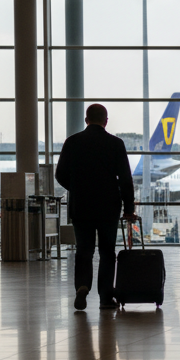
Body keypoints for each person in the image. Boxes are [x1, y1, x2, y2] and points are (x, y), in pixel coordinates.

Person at [55, 103, 137, 311]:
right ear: (106, 121)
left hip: (81, 206)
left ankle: (82, 286)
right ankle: (105, 298)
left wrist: (76, 188)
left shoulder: (72, 142)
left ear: (86, 120)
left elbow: (60, 174)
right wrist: (128, 207)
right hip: (108, 206)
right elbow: (126, 179)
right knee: (107, 252)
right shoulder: (115, 144)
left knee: (84, 250)